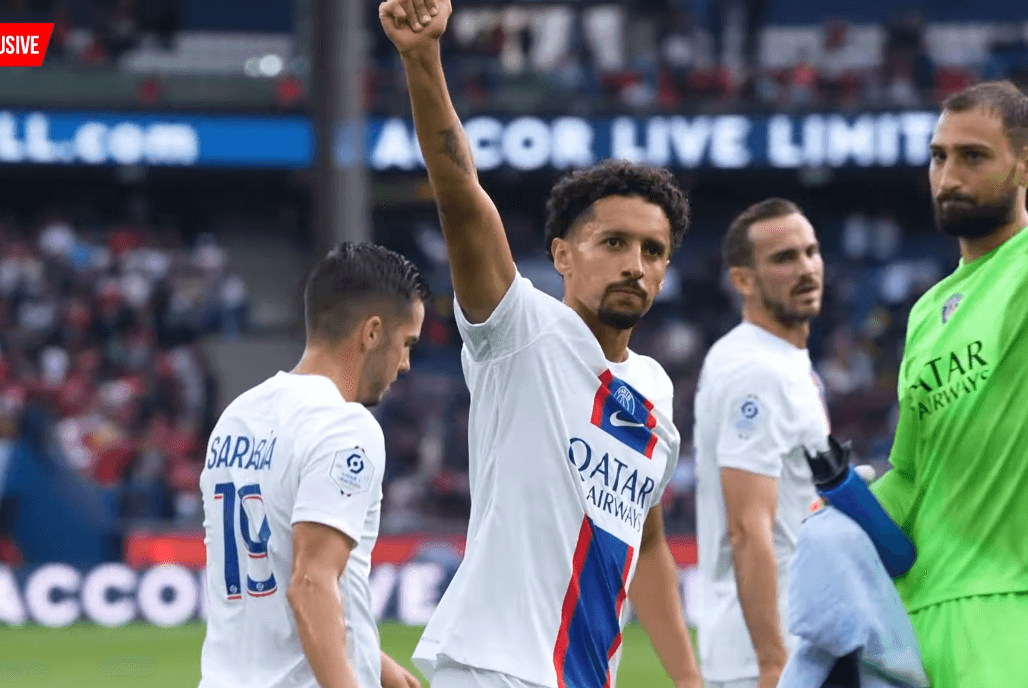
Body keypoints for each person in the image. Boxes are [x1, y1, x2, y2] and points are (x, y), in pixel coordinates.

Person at [379, 2, 701, 688]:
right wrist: (421, 58)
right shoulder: (519, 330)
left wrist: (689, 679)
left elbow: (645, 543)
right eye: (612, 243)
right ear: (561, 253)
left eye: (652, 250)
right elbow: (460, 193)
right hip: (495, 671)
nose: (633, 264)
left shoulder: (655, 393)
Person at [198, 242, 427, 688]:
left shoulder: (238, 418)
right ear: (372, 332)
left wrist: (371, 662)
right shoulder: (345, 426)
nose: (405, 364)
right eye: (406, 344)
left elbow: (275, 572)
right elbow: (310, 584)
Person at [869, 80, 1028, 687]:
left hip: (1007, 611)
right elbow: (910, 476)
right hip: (918, 625)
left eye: (974, 156)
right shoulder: (927, 312)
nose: (949, 174)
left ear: (1023, 165)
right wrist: (842, 512)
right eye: (939, 156)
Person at [692, 199, 828, 688]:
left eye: (811, 251)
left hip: (798, 642)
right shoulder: (757, 371)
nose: (806, 268)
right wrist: (773, 661)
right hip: (767, 659)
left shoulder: (776, 360)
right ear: (743, 280)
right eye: (784, 258)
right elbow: (749, 528)